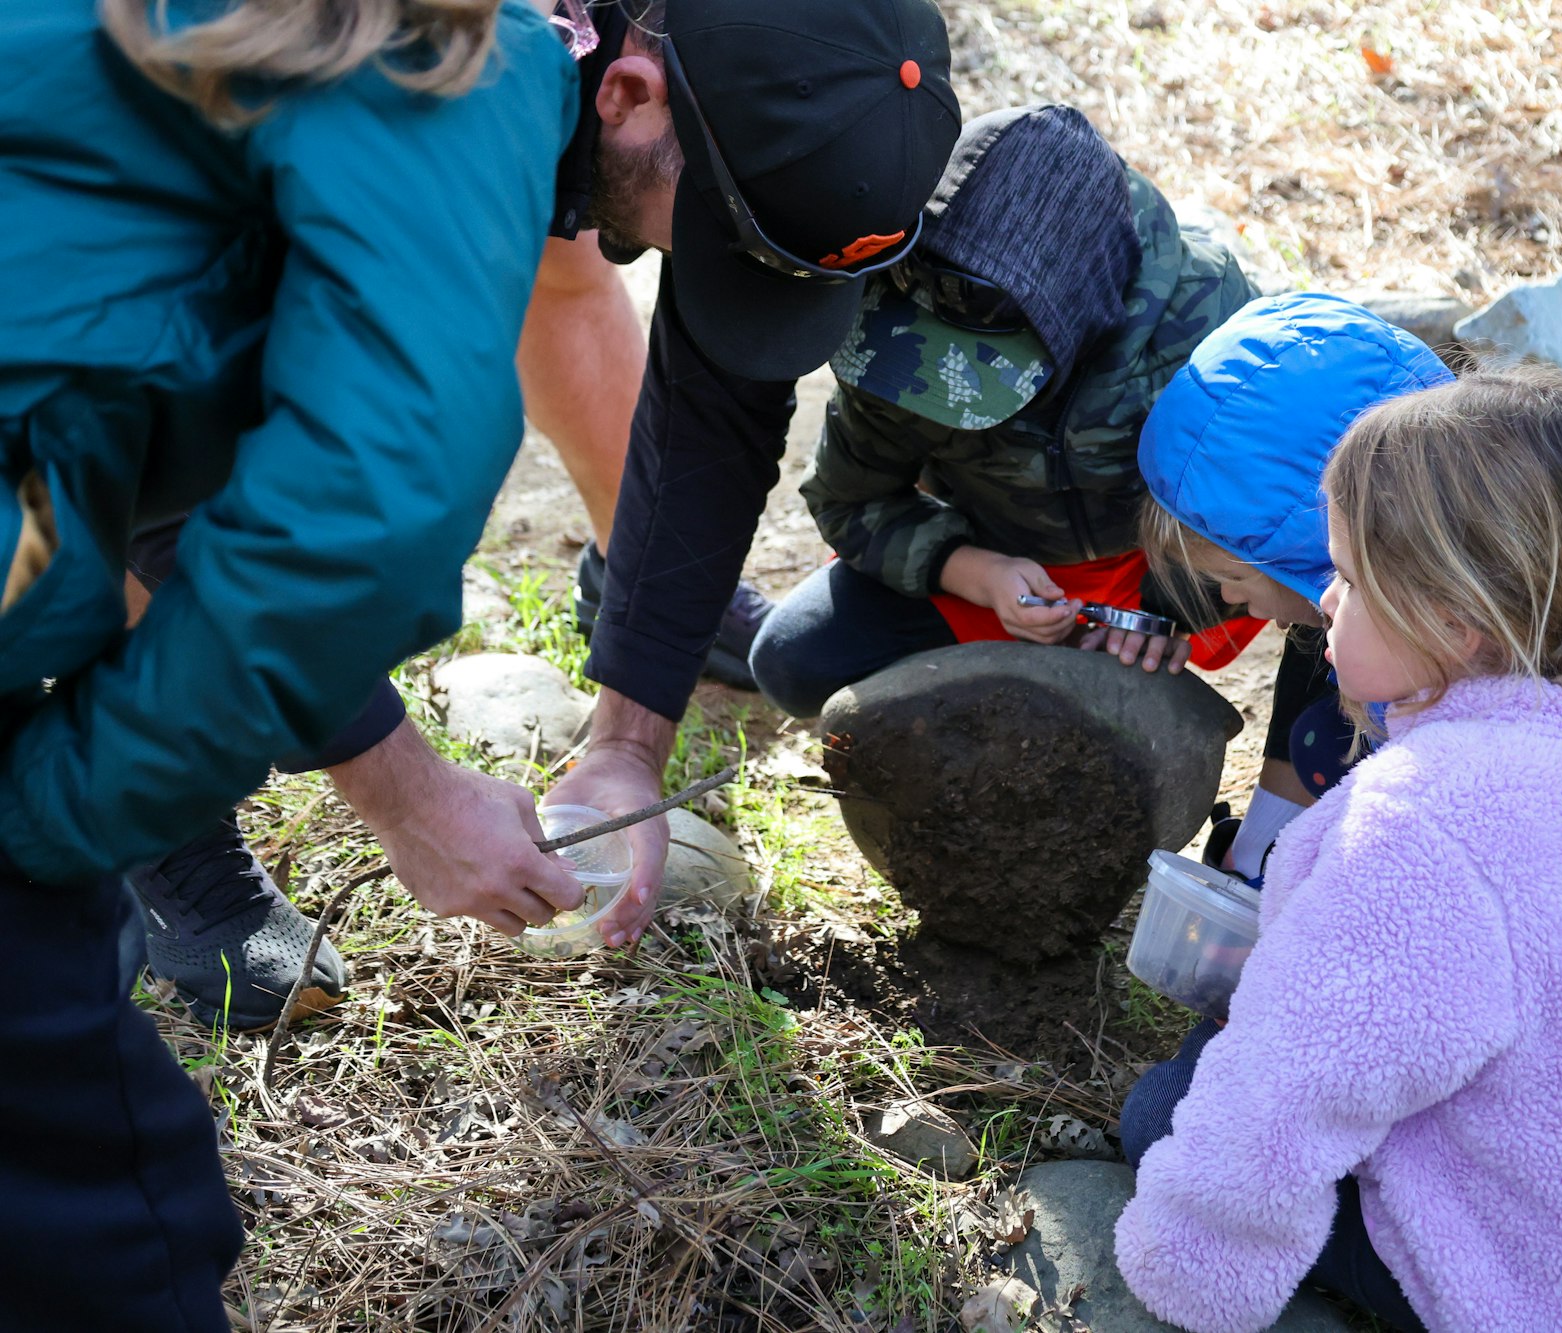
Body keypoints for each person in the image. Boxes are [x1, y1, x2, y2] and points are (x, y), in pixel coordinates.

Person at [120, 0, 964, 1028]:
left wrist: (630, 733)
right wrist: (409, 797)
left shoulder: (740, 48)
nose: (710, 269)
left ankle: (633, 587)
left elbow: (719, 384)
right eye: (718, 237)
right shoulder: (374, 107)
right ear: (627, 90)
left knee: (587, 227)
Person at [0, 0, 578, 1324]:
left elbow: (129, 392)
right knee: (110, 1213)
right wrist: (52, 818)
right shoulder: (461, 62)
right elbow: (353, 521)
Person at [1113, 366, 1562, 1333]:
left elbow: (1285, 1097)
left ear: (1453, 617)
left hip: (1547, 1293)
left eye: (1348, 575)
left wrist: (1187, 1268)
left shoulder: (1412, 827)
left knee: (1168, 1105)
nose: (1328, 599)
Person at [1137, 292, 1562, 885]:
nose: (1225, 600)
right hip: (1523, 789)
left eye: (1234, 578)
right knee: (1326, 730)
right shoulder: (1412, 591)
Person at [748, 103, 1263, 718]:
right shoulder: (895, 331)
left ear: (1081, 306)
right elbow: (848, 501)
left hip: (1166, 561)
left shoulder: (1206, 319)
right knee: (793, 660)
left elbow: (1278, 508)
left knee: (1346, 603)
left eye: (987, 366)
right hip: (1004, 565)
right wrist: (975, 572)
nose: (951, 383)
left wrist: (1166, 609)